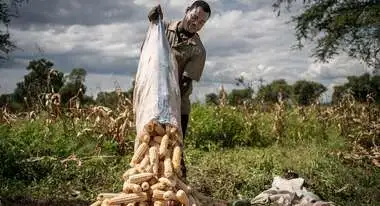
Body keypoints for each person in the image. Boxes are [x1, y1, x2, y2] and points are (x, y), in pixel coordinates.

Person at [147, 1, 211, 179]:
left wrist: (168, 108)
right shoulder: (164, 28)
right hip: (152, 101)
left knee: (174, 149)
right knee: (150, 146)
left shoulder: (198, 50)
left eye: (201, 22)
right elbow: (150, 50)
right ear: (187, 11)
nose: (196, 23)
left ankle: (178, 185)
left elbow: (184, 83)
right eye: (195, 17)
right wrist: (153, 22)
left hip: (177, 105)